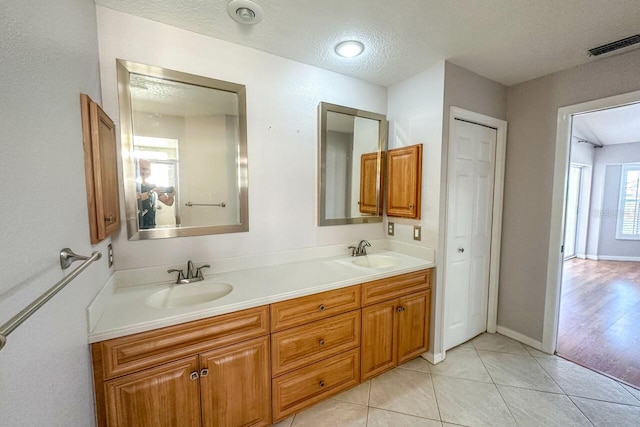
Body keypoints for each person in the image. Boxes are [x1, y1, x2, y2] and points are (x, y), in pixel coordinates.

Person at [136, 158, 176, 229]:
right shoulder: (131, 185)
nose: (145, 171)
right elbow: (134, 198)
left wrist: (171, 196)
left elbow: (168, 203)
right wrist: (152, 192)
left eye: (148, 169)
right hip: (135, 226)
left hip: (150, 224)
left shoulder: (153, 186)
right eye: (143, 168)